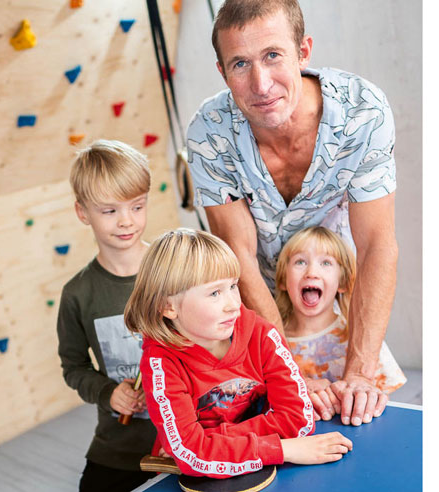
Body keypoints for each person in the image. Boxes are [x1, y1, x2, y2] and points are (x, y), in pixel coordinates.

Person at [185, 0, 398, 427]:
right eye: (240, 64)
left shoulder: (364, 113)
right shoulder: (209, 132)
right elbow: (238, 255)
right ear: (222, 72)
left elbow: (376, 244)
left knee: (360, 416)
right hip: (252, 309)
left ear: (304, 51)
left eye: (273, 56)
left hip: (330, 296)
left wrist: (358, 372)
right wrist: (288, 371)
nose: (261, 84)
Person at [124, 228, 352, 478]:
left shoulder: (261, 334)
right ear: (168, 306)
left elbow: (298, 419)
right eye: (215, 293)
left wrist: (210, 441)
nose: (234, 304)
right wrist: (280, 449)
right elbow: (191, 454)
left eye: (233, 286)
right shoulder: (161, 362)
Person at [56, 140, 157, 491]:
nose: (126, 221)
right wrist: (108, 393)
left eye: (137, 206)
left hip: (191, 438)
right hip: (120, 447)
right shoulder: (77, 295)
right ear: (83, 212)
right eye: (109, 211)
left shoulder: (175, 268)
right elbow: (74, 368)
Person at [275, 226, 406, 421]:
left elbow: (380, 403)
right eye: (300, 262)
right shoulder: (270, 341)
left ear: (343, 282)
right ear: (283, 280)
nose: (311, 272)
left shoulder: (359, 340)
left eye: (326, 263)